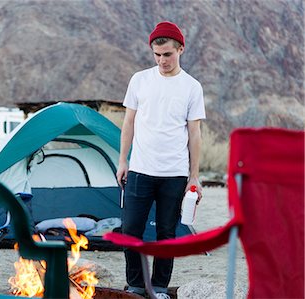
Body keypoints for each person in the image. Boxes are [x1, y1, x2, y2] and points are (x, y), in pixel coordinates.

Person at [116, 21, 206, 299]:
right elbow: (128, 122)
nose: (162, 60)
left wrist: (194, 176)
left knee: (167, 233)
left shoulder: (192, 87)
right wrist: (123, 161)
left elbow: (195, 133)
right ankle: (135, 285)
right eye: (157, 55)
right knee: (131, 229)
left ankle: (158, 287)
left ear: (181, 49)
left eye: (167, 54)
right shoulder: (139, 80)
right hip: (141, 170)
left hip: (175, 174)